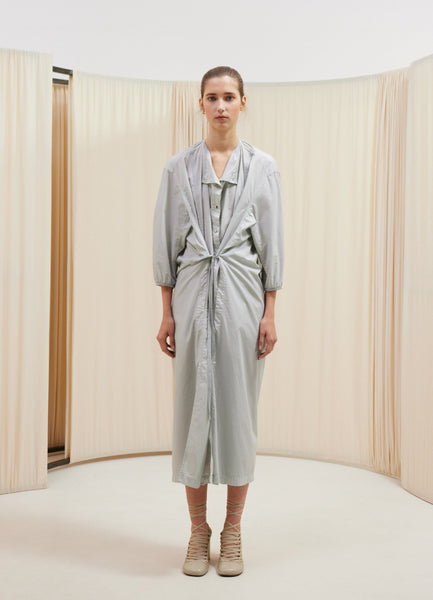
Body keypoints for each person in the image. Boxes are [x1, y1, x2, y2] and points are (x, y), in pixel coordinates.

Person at [152, 66, 284, 577]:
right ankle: (196, 531)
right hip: (189, 299)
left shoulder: (264, 167)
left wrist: (271, 312)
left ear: (243, 102)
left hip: (244, 299)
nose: (221, 106)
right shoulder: (177, 169)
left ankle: (232, 530)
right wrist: (166, 311)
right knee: (191, 411)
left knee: (238, 413)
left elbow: (271, 242)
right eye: (212, 97)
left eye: (229, 96)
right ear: (201, 103)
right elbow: (167, 240)